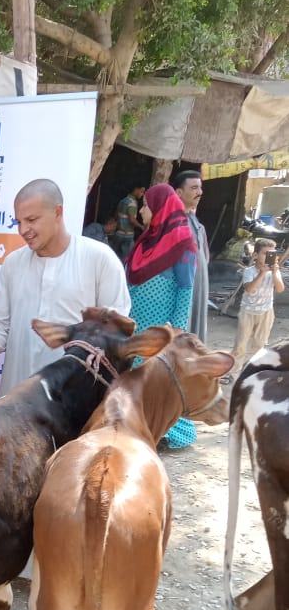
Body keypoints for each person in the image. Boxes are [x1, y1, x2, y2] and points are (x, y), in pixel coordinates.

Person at [0, 178, 131, 395]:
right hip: (16, 397)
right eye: (18, 222)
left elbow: (114, 333)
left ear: (58, 212)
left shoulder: (100, 259)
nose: (23, 230)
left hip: (74, 398)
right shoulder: (13, 263)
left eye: (31, 219)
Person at [125, 182, 198, 448]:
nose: (142, 210)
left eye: (146, 205)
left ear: (160, 208)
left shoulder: (184, 244)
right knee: (133, 377)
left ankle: (166, 432)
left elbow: (185, 289)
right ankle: (132, 425)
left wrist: (176, 331)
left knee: (155, 378)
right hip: (135, 324)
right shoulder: (145, 241)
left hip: (159, 326)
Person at [228, 238, 285, 377]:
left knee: (260, 345)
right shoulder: (249, 271)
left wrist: (274, 272)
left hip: (266, 312)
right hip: (248, 312)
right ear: (256, 255)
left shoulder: (274, 271)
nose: (269, 257)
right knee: (240, 344)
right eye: (265, 253)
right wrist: (262, 273)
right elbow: (249, 289)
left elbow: (280, 288)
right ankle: (233, 371)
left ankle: (254, 371)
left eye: (272, 254)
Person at [172, 169, 210, 342]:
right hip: (184, 289)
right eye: (194, 188)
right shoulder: (174, 223)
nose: (200, 192)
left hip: (199, 287)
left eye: (200, 188)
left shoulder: (195, 221)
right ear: (179, 192)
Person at [114, 184, 146, 260]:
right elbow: (132, 219)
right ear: (136, 189)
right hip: (127, 235)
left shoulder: (123, 201)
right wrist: (141, 227)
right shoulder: (132, 203)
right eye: (142, 191)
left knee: (116, 257)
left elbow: (116, 215)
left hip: (118, 233)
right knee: (127, 259)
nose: (142, 194)